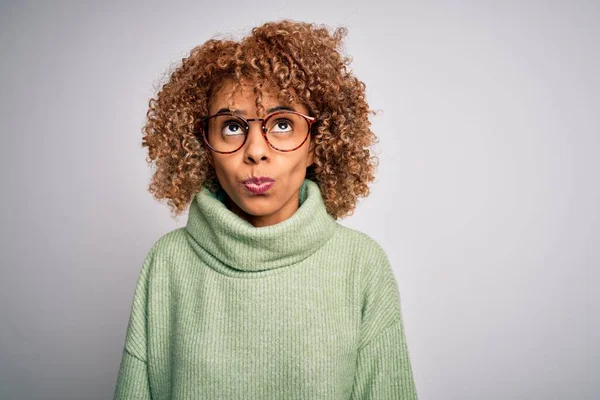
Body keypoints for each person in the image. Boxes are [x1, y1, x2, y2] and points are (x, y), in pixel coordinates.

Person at [114, 19, 418, 399]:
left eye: (282, 124)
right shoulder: (167, 264)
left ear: (316, 144)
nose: (256, 150)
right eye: (232, 127)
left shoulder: (361, 265)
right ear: (203, 145)